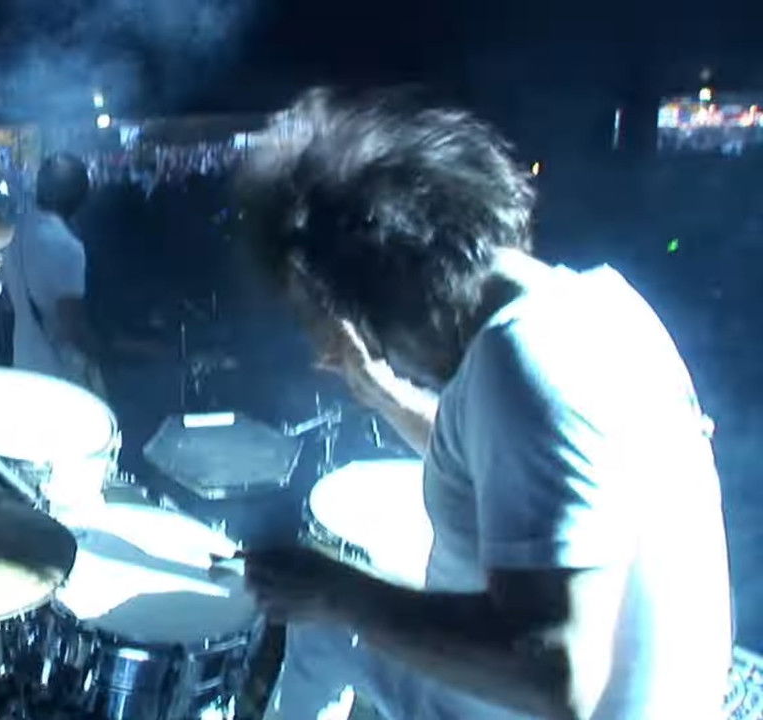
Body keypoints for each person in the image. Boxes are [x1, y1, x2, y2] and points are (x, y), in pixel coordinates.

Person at [239, 88, 731, 719]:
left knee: (326, 620)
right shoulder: (605, 306)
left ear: (395, 290)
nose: (387, 349)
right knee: (332, 622)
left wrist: (338, 594)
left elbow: (557, 676)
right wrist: (381, 389)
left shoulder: (522, 362)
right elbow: (502, 463)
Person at [2, 152, 104, 393]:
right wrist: (107, 353)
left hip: (24, 363)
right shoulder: (67, 246)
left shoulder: (15, 231)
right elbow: (71, 328)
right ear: (80, 197)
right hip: (61, 378)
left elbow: (10, 300)